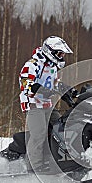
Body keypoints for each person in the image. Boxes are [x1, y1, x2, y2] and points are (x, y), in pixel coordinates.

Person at [18, 36, 73, 172]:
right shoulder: (33, 64)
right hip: (33, 104)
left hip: (47, 104)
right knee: (39, 133)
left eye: (63, 54)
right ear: (50, 51)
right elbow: (25, 83)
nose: (61, 57)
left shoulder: (52, 67)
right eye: (59, 53)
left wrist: (67, 91)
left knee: (59, 130)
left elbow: (54, 84)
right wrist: (43, 90)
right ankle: (34, 168)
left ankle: (53, 161)